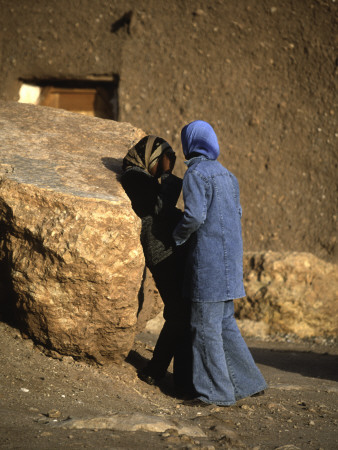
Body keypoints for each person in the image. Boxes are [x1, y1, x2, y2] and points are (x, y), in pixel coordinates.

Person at [173, 120, 267, 406]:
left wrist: (175, 237)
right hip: (229, 268)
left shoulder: (195, 174)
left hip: (208, 267)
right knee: (226, 325)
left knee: (204, 328)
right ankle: (249, 383)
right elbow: (236, 213)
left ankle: (215, 394)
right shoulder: (228, 175)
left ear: (189, 144)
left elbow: (195, 216)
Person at [121, 135, 193, 394]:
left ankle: (160, 370)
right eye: (164, 159)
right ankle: (156, 371)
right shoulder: (134, 177)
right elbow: (156, 208)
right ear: (150, 156)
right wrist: (168, 177)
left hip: (166, 249)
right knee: (178, 312)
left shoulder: (141, 178)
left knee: (179, 312)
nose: (168, 165)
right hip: (161, 252)